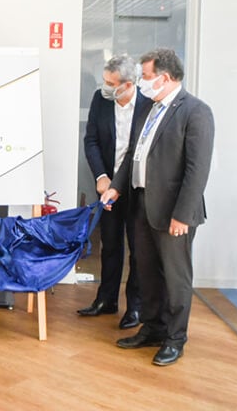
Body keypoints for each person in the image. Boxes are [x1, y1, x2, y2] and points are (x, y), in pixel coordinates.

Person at [101, 48, 214, 367]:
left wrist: (183, 214)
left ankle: (175, 338)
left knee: (175, 278)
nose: (142, 82)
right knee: (146, 273)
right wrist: (115, 187)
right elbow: (132, 155)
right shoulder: (148, 109)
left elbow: (197, 169)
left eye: (146, 77)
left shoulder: (195, 112)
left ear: (164, 78)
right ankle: (152, 328)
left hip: (173, 212)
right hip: (142, 205)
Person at [78, 55, 151, 330]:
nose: (105, 87)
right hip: (107, 187)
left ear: (128, 84)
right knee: (110, 244)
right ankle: (106, 300)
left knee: (138, 248)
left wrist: (120, 183)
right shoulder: (101, 99)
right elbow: (92, 140)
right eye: (104, 81)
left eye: (111, 83)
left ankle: (135, 307)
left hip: (137, 187)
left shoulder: (148, 104)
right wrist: (101, 176)